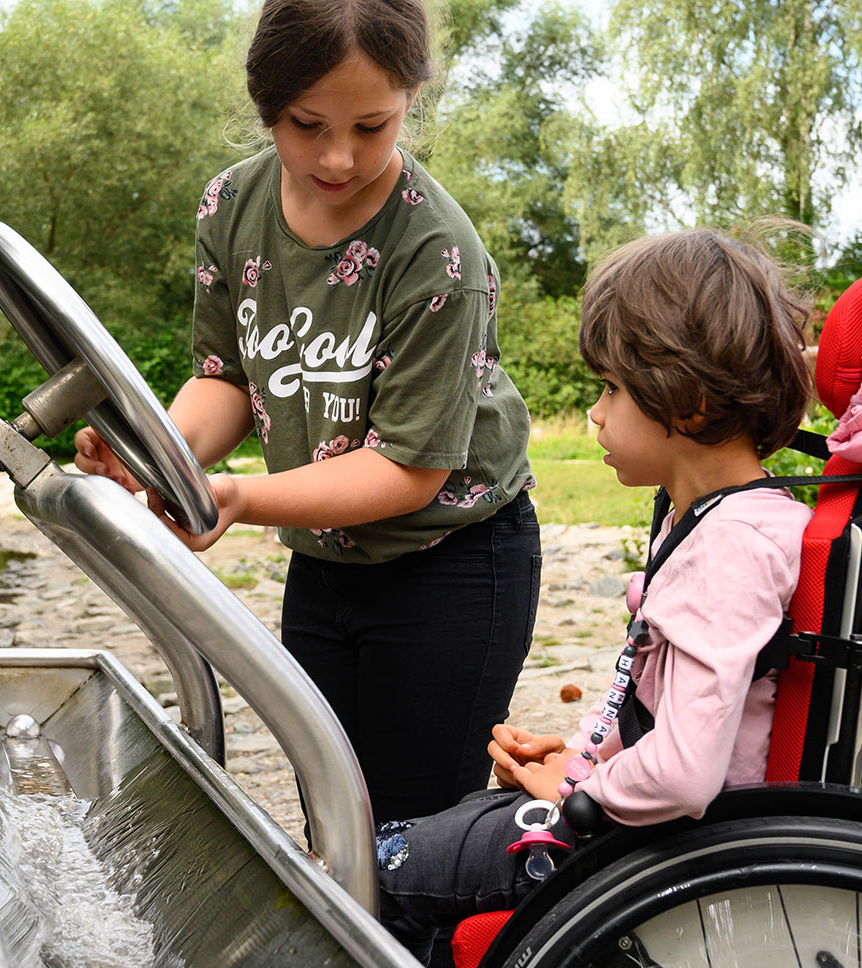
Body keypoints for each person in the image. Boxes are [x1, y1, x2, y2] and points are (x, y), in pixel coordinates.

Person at [74, 0, 540, 825]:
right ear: (266, 103)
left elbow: (409, 467)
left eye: (372, 126)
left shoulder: (438, 252)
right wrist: (163, 456)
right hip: (325, 558)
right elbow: (226, 378)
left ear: (411, 100)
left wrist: (244, 499)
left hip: (454, 562)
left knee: (416, 833)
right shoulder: (231, 205)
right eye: (306, 123)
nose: (337, 155)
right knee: (332, 815)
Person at [373, 227, 817, 966]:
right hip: (641, 825)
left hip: (669, 851)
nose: (596, 413)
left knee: (387, 863)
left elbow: (682, 771)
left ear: (692, 402)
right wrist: (575, 764)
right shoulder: (715, 518)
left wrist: (586, 793)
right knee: (429, 834)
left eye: (611, 388)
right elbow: (653, 702)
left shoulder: (730, 547)